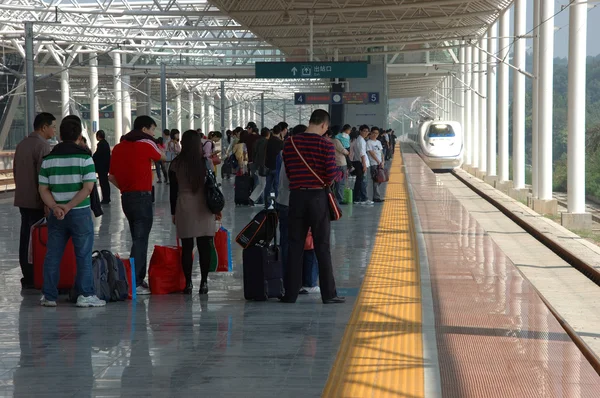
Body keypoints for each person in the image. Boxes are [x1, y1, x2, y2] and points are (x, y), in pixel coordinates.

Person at [38, 118, 105, 307]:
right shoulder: (85, 158)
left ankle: (49, 296)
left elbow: (43, 189)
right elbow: (88, 188)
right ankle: (85, 294)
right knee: (83, 254)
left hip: (56, 214)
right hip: (80, 213)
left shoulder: (48, 160)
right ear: (78, 137)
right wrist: (68, 207)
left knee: (53, 254)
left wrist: (55, 207)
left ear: (60, 136)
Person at [281, 110, 344, 304]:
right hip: (318, 198)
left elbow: (289, 172)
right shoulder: (325, 144)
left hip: (297, 197)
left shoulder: (289, 143)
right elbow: (331, 175)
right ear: (325, 125)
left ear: (310, 122)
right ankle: (328, 294)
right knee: (322, 246)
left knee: (294, 246)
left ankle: (290, 294)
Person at [109, 116, 164, 295]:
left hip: (127, 198)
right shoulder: (146, 144)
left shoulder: (117, 148)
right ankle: (135, 281)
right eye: (152, 130)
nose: (153, 134)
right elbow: (163, 156)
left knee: (136, 237)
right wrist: (153, 141)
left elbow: (111, 176)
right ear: (144, 129)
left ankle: (135, 278)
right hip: (142, 198)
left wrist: (126, 188)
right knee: (140, 240)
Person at [169, 130, 221, 295]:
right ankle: (204, 283)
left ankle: (189, 283)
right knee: (205, 245)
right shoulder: (205, 163)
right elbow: (213, 187)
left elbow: (173, 191)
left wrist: (173, 212)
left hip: (184, 205)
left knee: (187, 247)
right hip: (204, 206)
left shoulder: (175, 164)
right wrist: (217, 209)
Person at [276, 124, 320, 295]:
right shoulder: (305, 153)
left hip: (283, 201)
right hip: (300, 202)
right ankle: (308, 282)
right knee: (309, 244)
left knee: (287, 244)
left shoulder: (284, 151)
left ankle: (289, 283)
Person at [14, 112, 55, 289]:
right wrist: (47, 202)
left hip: (23, 199)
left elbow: (16, 170)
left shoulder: (22, 144)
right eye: (52, 126)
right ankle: (35, 274)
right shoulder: (43, 146)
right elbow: (43, 178)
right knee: (36, 239)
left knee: (25, 237)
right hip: (37, 201)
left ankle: (27, 273)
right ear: (44, 127)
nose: (54, 130)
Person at [350, 125, 371, 205]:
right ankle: (363, 198)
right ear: (360, 131)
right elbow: (362, 154)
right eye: (364, 131)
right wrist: (364, 165)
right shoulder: (361, 140)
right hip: (361, 163)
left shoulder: (359, 139)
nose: (366, 133)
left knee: (359, 181)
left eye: (367, 131)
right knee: (363, 182)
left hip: (359, 163)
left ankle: (357, 198)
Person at [248, 127, 270, 206]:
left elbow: (254, 154)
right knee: (262, 184)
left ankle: (252, 198)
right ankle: (252, 199)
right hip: (263, 166)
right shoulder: (266, 143)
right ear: (268, 134)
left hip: (256, 165)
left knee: (261, 184)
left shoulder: (257, 142)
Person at [264, 124, 284, 205]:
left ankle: (267, 203)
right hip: (277, 167)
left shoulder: (267, 141)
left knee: (267, 186)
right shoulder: (280, 142)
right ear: (280, 132)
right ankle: (277, 204)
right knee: (276, 186)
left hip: (268, 166)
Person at [329, 130, 349, 204]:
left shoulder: (326, 142)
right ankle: (339, 199)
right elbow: (344, 151)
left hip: (333, 163)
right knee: (340, 183)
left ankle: (334, 198)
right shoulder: (335, 141)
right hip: (340, 163)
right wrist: (347, 152)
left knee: (335, 183)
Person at [367, 127, 385, 203]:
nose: (375, 134)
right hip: (374, 164)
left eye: (377, 133)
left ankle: (376, 196)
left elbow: (381, 152)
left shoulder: (378, 142)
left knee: (381, 179)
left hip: (380, 163)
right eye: (374, 133)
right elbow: (371, 153)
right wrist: (378, 161)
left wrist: (383, 161)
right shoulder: (369, 142)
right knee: (376, 180)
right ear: (370, 133)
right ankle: (376, 197)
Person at [93, 130, 111, 204]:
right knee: (105, 183)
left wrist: (93, 157)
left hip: (102, 167)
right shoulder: (106, 143)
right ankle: (107, 197)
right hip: (106, 166)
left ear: (98, 136)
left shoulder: (101, 144)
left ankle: (105, 198)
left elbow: (97, 155)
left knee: (103, 183)